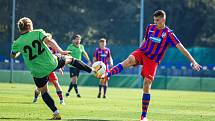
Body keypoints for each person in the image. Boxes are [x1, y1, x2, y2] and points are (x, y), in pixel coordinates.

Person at [99, 10, 202, 121]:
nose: (155, 22)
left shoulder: (169, 34)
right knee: (128, 60)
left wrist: (193, 61)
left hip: (153, 61)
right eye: (154, 20)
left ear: (163, 19)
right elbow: (145, 39)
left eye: (157, 20)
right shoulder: (150, 27)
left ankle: (143, 116)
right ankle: (107, 74)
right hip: (142, 52)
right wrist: (138, 50)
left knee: (147, 84)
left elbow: (181, 47)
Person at [11, 17, 97, 120]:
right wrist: (60, 51)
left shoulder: (17, 43)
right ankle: (91, 70)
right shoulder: (37, 32)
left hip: (38, 72)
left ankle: (56, 113)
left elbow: (13, 56)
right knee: (71, 59)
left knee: (43, 92)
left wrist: (20, 51)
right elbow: (50, 41)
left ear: (20, 28)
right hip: (51, 63)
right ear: (30, 26)